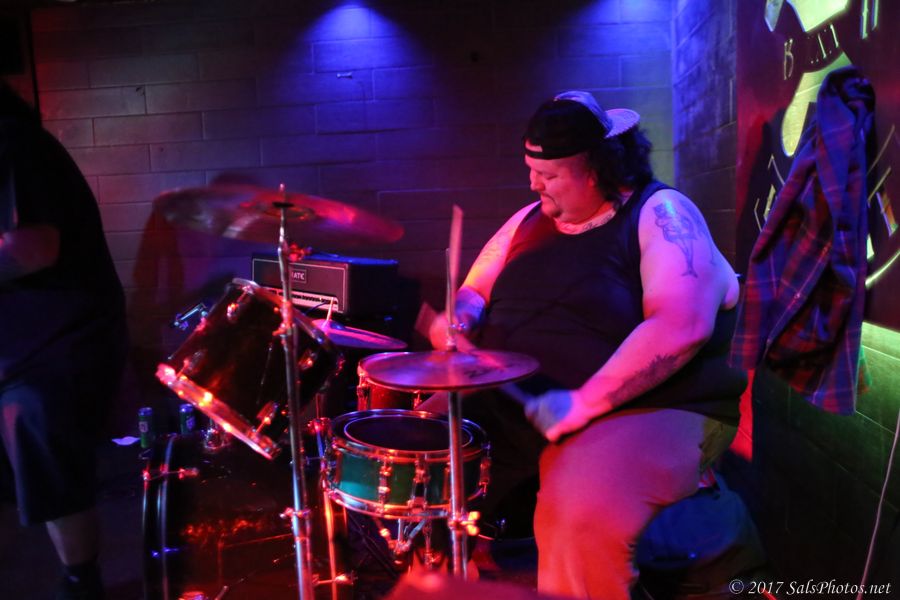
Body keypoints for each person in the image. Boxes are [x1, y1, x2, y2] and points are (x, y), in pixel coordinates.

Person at [427, 91, 747, 599]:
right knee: (416, 447)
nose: (534, 183)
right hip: (525, 401)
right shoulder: (528, 219)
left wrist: (584, 402)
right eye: (532, 170)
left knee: (578, 510)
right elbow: (474, 291)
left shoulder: (661, 213)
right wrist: (460, 318)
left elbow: (681, 326)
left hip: (644, 408)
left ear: (596, 170)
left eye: (549, 174)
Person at [0, 81, 127, 600]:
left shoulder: (10, 141)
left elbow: (31, 248)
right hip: (25, 337)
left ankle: (81, 582)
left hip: (58, 337)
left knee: (37, 430)